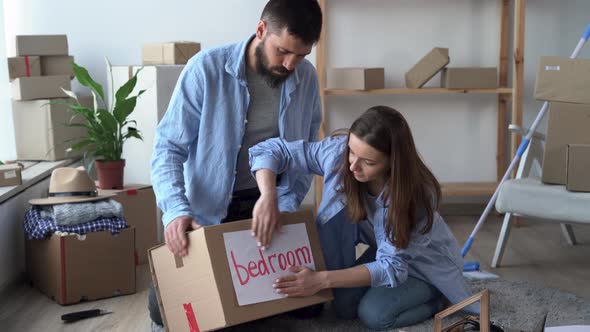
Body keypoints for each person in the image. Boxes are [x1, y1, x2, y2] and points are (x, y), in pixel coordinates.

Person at [148, 0, 323, 328]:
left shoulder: (306, 78)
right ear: (260, 30)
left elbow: (304, 154)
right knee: (167, 309)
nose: (290, 64)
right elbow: (167, 150)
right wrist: (174, 210)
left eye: (301, 55)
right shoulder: (205, 69)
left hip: (270, 205)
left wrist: (284, 203)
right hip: (209, 212)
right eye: (283, 51)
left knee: (308, 306)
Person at [249, 106, 476, 330]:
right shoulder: (340, 154)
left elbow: (392, 266)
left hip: (426, 263)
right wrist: (268, 196)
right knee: (344, 306)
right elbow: (271, 150)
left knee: (375, 316)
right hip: (386, 251)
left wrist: (320, 279)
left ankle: (439, 298)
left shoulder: (411, 195)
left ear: (392, 162)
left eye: (368, 162)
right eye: (351, 151)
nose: (353, 165)